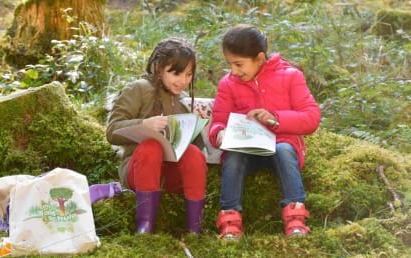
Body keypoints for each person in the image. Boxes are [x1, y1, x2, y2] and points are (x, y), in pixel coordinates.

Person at [209, 24, 321, 239]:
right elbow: (218, 121)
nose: (234, 71)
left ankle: (295, 218)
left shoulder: (290, 76)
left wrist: (275, 119)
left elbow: (311, 118)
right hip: (246, 149)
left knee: (284, 150)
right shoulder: (228, 84)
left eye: (239, 64)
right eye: (230, 64)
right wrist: (220, 134)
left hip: (282, 145)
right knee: (233, 157)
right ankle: (229, 220)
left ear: (259, 58)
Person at [106, 37, 207, 234]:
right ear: (159, 68)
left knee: (194, 153)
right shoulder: (140, 89)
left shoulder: (183, 101)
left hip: (170, 175)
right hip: (139, 171)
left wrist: (196, 124)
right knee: (151, 147)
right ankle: (144, 227)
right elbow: (112, 132)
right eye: (176, 73)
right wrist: (144, 124)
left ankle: (195, 228)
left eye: (188, 74)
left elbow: (195, 150)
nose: (183, 81)